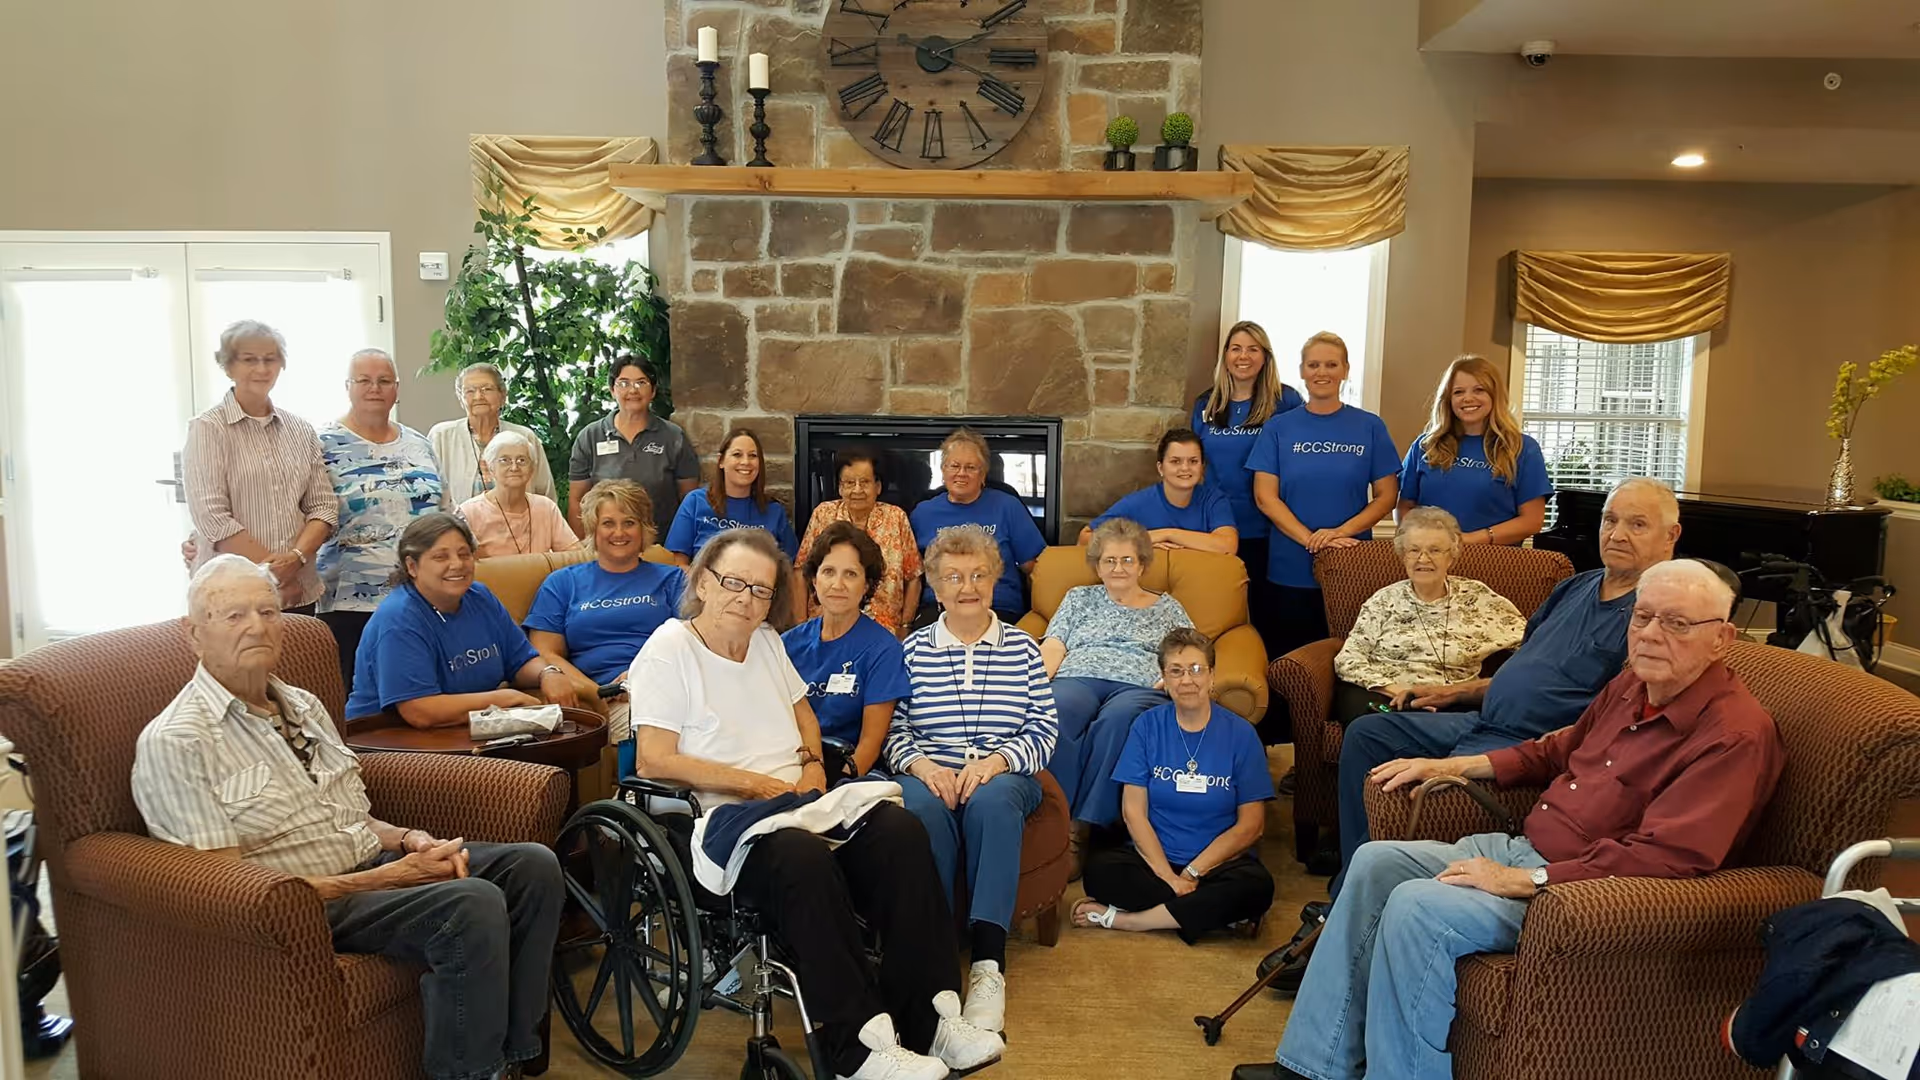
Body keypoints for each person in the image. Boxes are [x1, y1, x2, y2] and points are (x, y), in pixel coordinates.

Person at [1236, 559, 1784, 1080]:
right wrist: (1453, 764)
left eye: (1679, 624)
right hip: (1525, 849)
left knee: (1416, 906)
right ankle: (1314, 1064)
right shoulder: (1632, 685)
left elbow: (1669, 858)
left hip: (1573, 894)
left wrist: (1525, 881)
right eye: (1643, 616)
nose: (1651, 634)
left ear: (1723, 638)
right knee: (1376, 862)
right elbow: (1558, 748)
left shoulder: (1733, 735)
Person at [132, 555, 562, 1080]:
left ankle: (512, 1057)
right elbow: (228, 891)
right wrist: (386, 878)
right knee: (470, 903)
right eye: (233, 615)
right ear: (193, 634)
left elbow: (348, 813)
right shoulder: (179, 740)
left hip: (368, 863)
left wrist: (407, 840)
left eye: (268, 612)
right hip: (301, 900)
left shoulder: (304, 705)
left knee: (533, 867)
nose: (257, 626)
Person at [628, 529, 1005, 1080]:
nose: (747, 598)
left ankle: (930, 1021)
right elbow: (653, 760)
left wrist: (809, 763)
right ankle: (857, 1049)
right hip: (721, 820)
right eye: (734, 583)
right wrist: (756, 786)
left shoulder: (766, 642)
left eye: (761, 590)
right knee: (801, 858)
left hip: (800, 804)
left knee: (899, 832)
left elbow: (802, 710)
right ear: (704, 583)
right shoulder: (670, 647)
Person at [1310, 476, 1682, 896]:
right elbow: (1524, 670)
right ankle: (1356, 868)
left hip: (1525, 743)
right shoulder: (1576, 587)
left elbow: (1617, 718)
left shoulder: (1653, 616)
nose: (1616, 534)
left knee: (1418, 788)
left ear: (1671, 535)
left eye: (1636, 524)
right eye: (1609, 520)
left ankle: (1357, 889)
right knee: (1366, 733)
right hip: (1479, 718)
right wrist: (1456, 692)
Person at [889, 524, 1059, 1037]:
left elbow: (1044, 728)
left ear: (995, 581)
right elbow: (894, 727)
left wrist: (997, 761)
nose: (968, 586)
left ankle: (988, 964)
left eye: (980, 574)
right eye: (954, 576)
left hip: (1004, 773)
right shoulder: (912, 650)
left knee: (992, 800)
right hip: (930, 769)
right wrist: (923, 766)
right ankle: (937, 959)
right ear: (936, 587)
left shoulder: (1025, 650)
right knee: (921, 811)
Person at [1075, 628, 1275, 941]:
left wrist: (1193, 872)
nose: (1187, 680)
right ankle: (1210, 916)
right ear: (1164, 679)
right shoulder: (1146, 725)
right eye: (1176, 671)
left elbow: (1252, 825)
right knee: (1101, 870)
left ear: (1212, 676)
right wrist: (1168, 876)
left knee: (1257, 886)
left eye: (1197, 670)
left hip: (1216, 865)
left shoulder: (1242, 734)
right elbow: (1133, 812)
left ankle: (1127, 920)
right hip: (1154, 861)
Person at [1041, 518, 1193, 863]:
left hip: (1137, 684)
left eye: (1127, 560)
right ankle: (1055, 822)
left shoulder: (1167, 607)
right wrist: (1036, 682)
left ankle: (1081, 829)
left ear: (1142, 564)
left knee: (1117, 721)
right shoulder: (1079, 598)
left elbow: (1187, 650)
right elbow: (1054, 643)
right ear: (1097, 564)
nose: (1118, 568)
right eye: (1109, 560)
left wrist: (1173, 678)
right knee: (1057, 708)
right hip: (1078, 675)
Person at [1246, 330, 1400, 661]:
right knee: (1287, 661)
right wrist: (1311, 540)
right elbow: (1265, 497)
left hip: (1350, 563)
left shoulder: (1370, 426)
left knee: (1348, 661)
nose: (1322, 372)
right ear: (1301, 371)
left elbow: (1387, 496)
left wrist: (1337, 535)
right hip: (1288, 568)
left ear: (1345, 370)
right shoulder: (1279, 428)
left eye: (1331, 364)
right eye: (1313, 365)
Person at [344, 514, 576, 725]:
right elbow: (419, 711)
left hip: (466, 730)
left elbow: (519, 660)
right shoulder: (399, 618)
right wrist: (505, 699)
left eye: (464, 554)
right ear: (412, 566)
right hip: (388, 741)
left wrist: (549, 673)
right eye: (440, 556)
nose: (457, 564)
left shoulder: (480, 596)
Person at [314, 349, 445, 697]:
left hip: (420, 597)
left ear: (397, 389)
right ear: (347, 387)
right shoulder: (320, 443)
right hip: (349, 603)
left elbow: (444, 508)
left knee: (418, 698)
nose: (375, 388)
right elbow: (297, 509)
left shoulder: (420, 443)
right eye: (364, 380)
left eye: (384, 381)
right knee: (360, 706)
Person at [182, 319, 337, 612]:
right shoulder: (207, 429)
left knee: (304, 660)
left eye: (270, 359)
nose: (262, 369)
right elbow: (214, 518)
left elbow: (323, 507)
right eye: (249, 360)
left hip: (298, 591)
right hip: (230, 593)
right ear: (228, 367)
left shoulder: (301, 429)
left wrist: (295, 560)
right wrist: (273, 576)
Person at [1330, 506, 1528, 724]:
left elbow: (1532, 643)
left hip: (1453, 702)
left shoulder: (1477, 596)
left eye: (1434, 550)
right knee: (1369, 721)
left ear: (1451, 557)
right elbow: (1348, 659)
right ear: (1403, 556)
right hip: (1388, 698)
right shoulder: (1384, 600)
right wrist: (1398, 690)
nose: (1423, 559)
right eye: (1414, 550)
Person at [1192, 321, 1304, 651]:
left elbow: (1296, 461)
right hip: (1218, 528)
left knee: (1268, 619)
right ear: (1225, 355)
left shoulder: (1286, 400)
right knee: (1220, 618)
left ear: (1265, 357)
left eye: (1253, 349)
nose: (1244, 356)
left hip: (1269, 529)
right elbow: (1195, 466)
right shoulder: (1206, 404)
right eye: (1236, 348)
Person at [784, 522, 911, 780]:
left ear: (867, 585)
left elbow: (870, 745)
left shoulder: (883, 649)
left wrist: (833, 790)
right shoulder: (787, 644)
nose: (837, 584)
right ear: (813, 579)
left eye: (851, 574)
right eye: (828, 571)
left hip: (847, 774)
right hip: (785, 766)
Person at [1396, 354, 1552, 544]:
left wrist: (1470, 540)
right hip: (1431, 558)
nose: (1468, 398)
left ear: (1494, 395)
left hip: (1493, 560)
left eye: (1479, 390)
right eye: (1458, 392)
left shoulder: (1522, 448)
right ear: (1448, 399)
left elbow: (1532, 521)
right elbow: (1404, 508)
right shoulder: (1425, 446)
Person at [909, 428, 1047, 626]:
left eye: (971, 467)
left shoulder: (1007, 507)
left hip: (997, 606)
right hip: (940, 607)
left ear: (983, 474)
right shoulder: (922, 513)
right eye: (954, 466)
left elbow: (1034, 567)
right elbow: (911, 571)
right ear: (943, 470)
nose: (961, 473)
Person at [567, 358, 700, 540]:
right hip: (606, 548)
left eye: (641, 382)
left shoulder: (673, 436)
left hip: (661, 548)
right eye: (623, 383)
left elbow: (689, 500)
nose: (632, 390)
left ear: (653, 391)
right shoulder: (590, 436)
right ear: (613, 390)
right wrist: (585, 550)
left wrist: (679, 549)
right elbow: (576, 500)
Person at [798, 450, 923, 635]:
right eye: (849, 483)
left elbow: (913, 577)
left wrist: (905, 626)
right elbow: (800, 572)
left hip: (884, 630)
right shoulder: (823, 515)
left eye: (865, 482)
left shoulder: (896, 517)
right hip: (825, 627)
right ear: (840, 488)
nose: (857, 490)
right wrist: (800, 625)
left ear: (878, 487)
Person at [1079, 428, 1238, 555]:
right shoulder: (1137, 503)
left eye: (1193, 461)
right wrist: (1147, 538)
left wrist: (1170, 534)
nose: (1185, 468)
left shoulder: (1214, 500)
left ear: (1202, 467)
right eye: (1175, 461)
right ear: (1160, 468)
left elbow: (1228, 546)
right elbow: (1085, 539)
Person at [665, 426, 799, 568]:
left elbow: (790, 568)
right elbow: (677, 562)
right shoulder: (696, 502)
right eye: (737, 454)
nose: (746, 462)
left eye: (753, 455)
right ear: (721, 461)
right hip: (705, 586)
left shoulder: (774, 511)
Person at [428, 362, 556, 503]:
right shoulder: (441, 436)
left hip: (519, 524)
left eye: (487, 389)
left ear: (503, 396)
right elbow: (427, 494)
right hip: (458, 524)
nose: (478, 396)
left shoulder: (524, 437)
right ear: (461, 399)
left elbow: (545, 496)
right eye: (469, 391)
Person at [458, 431, 577, 558]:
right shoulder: (469, 512)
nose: (514, 467)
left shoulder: (546, 507)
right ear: (491, 468)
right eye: (505, 460)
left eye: (522, 460)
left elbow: (573, 553)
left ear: (532, 469)